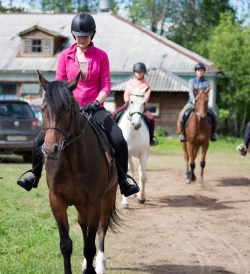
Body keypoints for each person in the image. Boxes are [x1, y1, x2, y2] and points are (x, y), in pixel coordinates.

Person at [17, 12, 140, 197]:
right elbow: (59, 83)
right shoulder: (65, 56)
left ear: (92, 35)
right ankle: (34, 175)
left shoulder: (101, 56)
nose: (81, 39)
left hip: (95, 109)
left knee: (119, 139)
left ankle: (123, 181)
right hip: (69, 111)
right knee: (39, 141)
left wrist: (96, 102)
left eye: (85, 35)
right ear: (74, 35)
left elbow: (106, 84)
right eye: (78, 35)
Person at [111, 62, 158, 146]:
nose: (138, 74)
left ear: (144, 73)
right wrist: (127, 101)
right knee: (114, 114)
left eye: (140, 72)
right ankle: (112, 135)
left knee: (151, 118)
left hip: (140, 106)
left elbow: (147, 95)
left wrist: (142, 103)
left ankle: (151, 138)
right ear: (134, 72)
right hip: (129, 105)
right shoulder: (130, 83)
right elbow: (126, 94)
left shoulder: (146, 85)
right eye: (137, 72)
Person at [179, 62, 218, 142]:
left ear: (204, 72)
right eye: (198, 70)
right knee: (182, 114)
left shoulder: (207, 82)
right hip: (192, 102)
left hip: (203, 104)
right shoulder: (192, 81)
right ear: (196, 72)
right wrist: (193, 99)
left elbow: (207, 93)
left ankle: (213, 134)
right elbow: (190, 91)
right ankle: (182, 134)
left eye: (201, 70)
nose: (200, 72)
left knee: (214, 114)